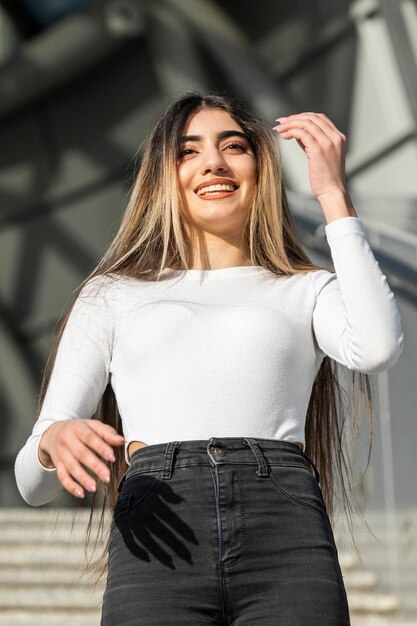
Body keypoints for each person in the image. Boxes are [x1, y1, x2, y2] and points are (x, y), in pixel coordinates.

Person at [14, 92, 404, 625]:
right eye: (187, 151)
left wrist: (334, 196)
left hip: (285, 531)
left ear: (261, 168)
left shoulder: (305, 289)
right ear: (162, 178)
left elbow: (378, 347)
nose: (213, 163)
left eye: (234, 146)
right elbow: (30, 484)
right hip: (158, 525)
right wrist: (55, 440)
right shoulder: (113, 293)